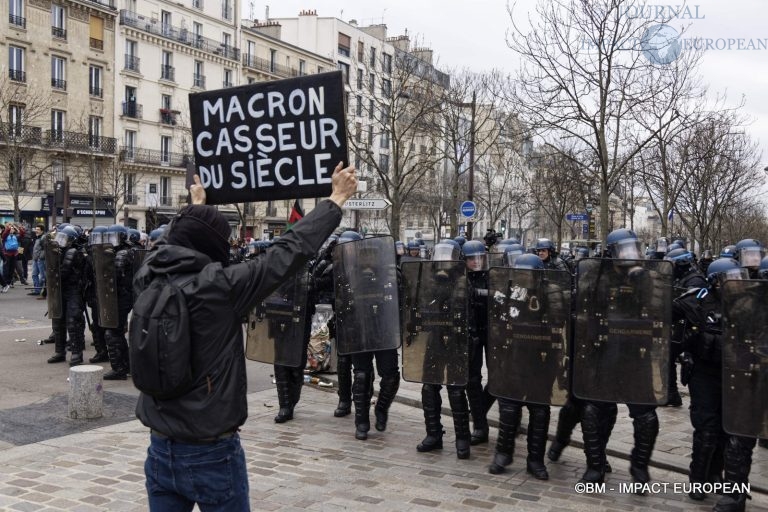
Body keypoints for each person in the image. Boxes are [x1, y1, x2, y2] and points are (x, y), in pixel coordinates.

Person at [134, 163, 357, 511]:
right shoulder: (220, 288)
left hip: (160, 447)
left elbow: (172, 242)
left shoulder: (147, 276)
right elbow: (288, 251)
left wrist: (196, 208)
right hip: (210, 450)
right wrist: (336, 199)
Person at [673, 258, 744, 503]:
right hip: (703, 373)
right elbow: (670, 320)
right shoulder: (697, 301)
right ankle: (698, 478)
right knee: (706, 429)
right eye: (729, 279)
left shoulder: (745, 304)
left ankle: (716, 474)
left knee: (727, 429)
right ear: (715, 281)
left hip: (733, 372)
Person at [664, 248, 707, 408]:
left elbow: (690, 307)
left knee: (690, 364)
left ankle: (678, 395)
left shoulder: (695, 281)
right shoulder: (682, 278)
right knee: (667, 355)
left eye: (672, 265)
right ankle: (671, 394)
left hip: (693, 329)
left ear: (681, 264)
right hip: (680, 327)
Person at [463, 240, 491, 445]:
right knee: (472, 380)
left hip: (491, 333)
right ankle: (480, 427)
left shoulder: (493, 276)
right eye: (472, 258)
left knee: (499, 378)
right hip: (470, 334)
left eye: (479, 257)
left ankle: (478, 409)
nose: (476, 261)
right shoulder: (459, 278)